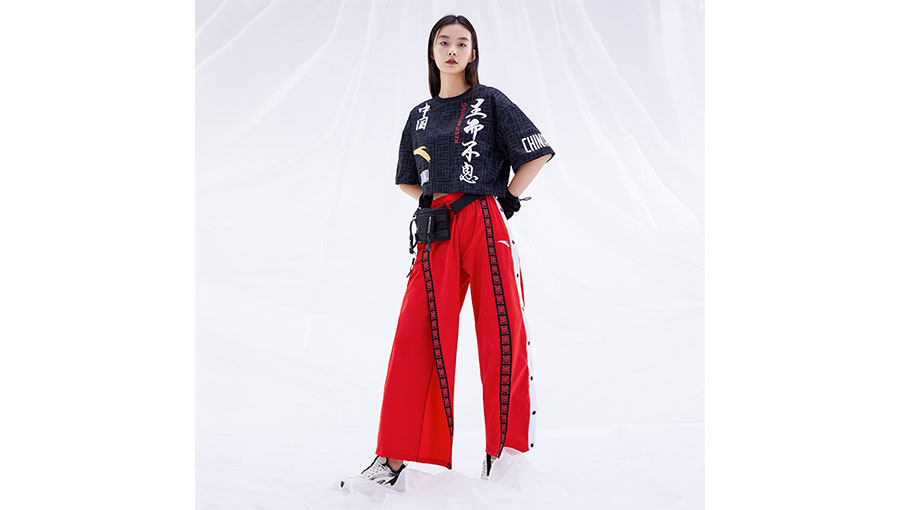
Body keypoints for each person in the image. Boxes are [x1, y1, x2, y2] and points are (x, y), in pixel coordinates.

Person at [351, 14, 555, 487]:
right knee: (415, 333)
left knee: (500, 332)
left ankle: (505, 454)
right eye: (444, 42)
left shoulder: (490, 101)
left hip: (484, 220)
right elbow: (407, 179)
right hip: (437, 228)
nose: (452, 50)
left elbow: (537, 152)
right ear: (432, 51)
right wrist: (435, 202)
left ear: (473, 53)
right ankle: (392, 457)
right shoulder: (419, 115)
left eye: (462, 43)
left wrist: (505, 199)